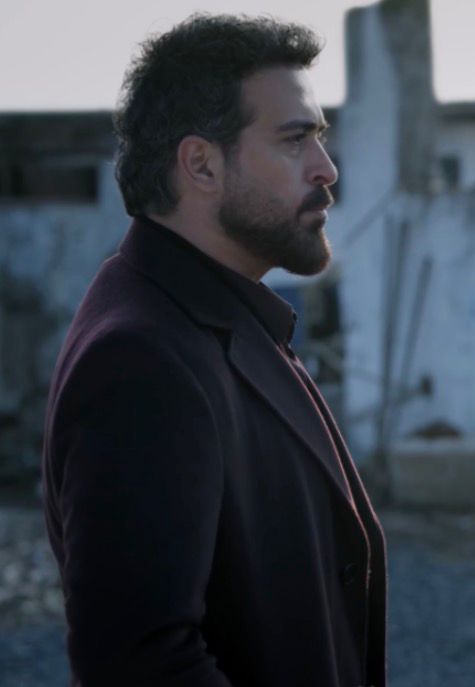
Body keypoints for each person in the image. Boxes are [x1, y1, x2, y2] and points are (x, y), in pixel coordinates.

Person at [41, 14, 386, 686]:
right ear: (201, 164)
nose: (327, 169)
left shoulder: (213, 313)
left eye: (319, 136)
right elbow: (139, 663)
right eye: (295, 140)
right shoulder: (140, 360)